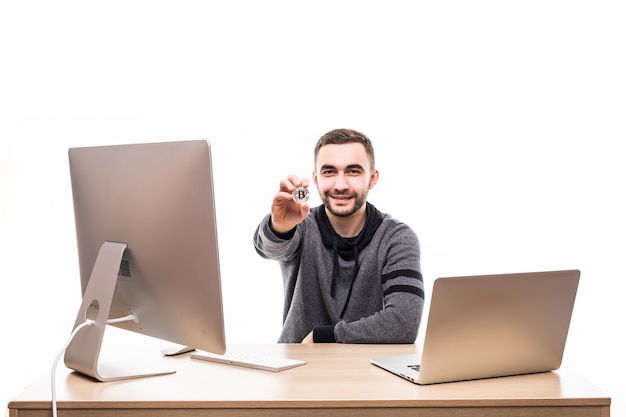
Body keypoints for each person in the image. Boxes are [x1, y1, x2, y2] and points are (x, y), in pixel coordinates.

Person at [253, 128, 424, 343]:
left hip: (368, 371)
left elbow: (403, 324)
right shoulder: (302, 226)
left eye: (353, 171)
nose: (340, 185)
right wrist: (279, 226)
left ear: (372, 178)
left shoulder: (396, 238)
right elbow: (268, 248)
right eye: (329, 172)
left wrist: (324, 335)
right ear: (315, 180)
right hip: (297, 369)